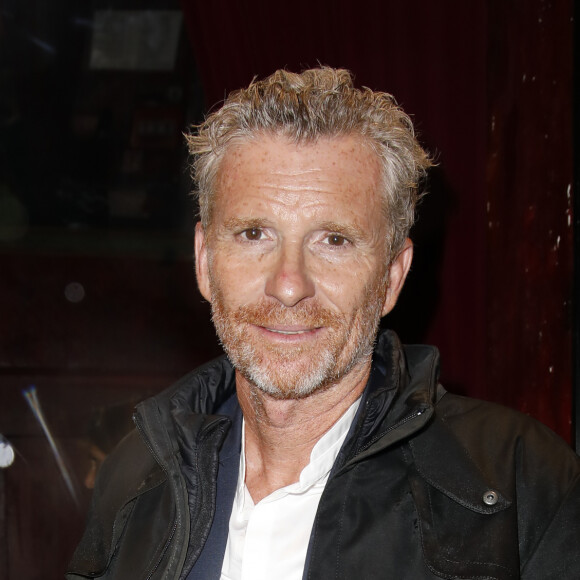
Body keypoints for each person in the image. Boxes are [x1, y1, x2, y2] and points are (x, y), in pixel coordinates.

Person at [66, 67, 580, 579]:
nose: (289, 285)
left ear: (391, 277)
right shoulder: (132, 479)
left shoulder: (527, 487)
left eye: (333, 240)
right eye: (253, 234)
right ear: (204, 260)